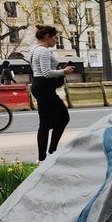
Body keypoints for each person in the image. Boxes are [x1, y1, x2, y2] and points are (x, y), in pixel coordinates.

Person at [30, 25, 74, 161]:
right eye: (55, 38)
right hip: (44, 87)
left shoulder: (34, 50)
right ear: (47, 37)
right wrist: (64, 71)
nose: (56, 41)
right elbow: (47, 73)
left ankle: (48, 153)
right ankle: (44, 156)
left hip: (42, 86)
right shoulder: (43, 51)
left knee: (58, 118)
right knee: (51, 121)